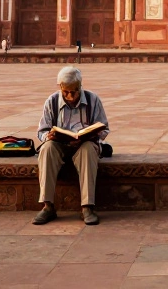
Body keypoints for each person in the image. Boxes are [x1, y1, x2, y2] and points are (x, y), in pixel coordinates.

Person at [33, 66, 110, 226]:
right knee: (47, 149)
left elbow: (104, 128)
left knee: (89, 150)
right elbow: (42, 131)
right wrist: (49, 136)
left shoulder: (93, 100)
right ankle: (47, 206)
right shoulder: (52, 101)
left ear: (80, 86)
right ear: (60, 87)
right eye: (66, 92)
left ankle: (87, 207)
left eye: (74, 92)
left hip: (84, 145)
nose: (70, 96)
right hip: (59, 145)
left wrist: (91, 134)